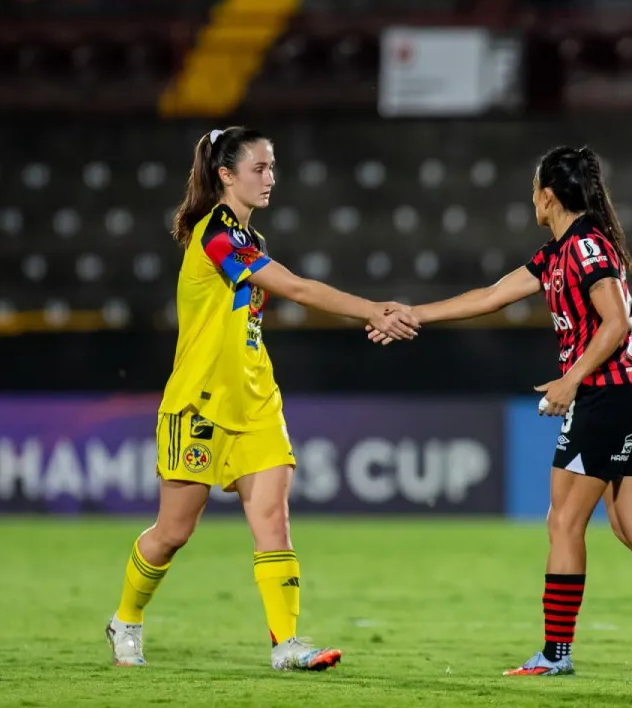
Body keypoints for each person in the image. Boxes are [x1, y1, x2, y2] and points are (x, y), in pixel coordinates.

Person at [368, 146, 632, 678]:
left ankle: (555, 654)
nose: (532, 197)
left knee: (564, 521)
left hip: (608, 396)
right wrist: (414, 314)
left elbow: (614, 322)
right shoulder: (559, 252)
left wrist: (572, 381)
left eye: (534, 188)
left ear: (548, 195)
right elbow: (492, 295)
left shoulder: (587, 248)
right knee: (631, 524)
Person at [106, 126, 419, 671]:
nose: (270, 178)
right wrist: (371, 308)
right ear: (226, 175)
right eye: (259, 168)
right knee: (174, 532)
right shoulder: (216, 236)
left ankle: (286, 644)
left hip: (256, 401)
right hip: (199, 404)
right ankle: (126, 620)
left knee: (274, 519)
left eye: (273, 167)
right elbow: (295, 288)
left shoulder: (252, 242)